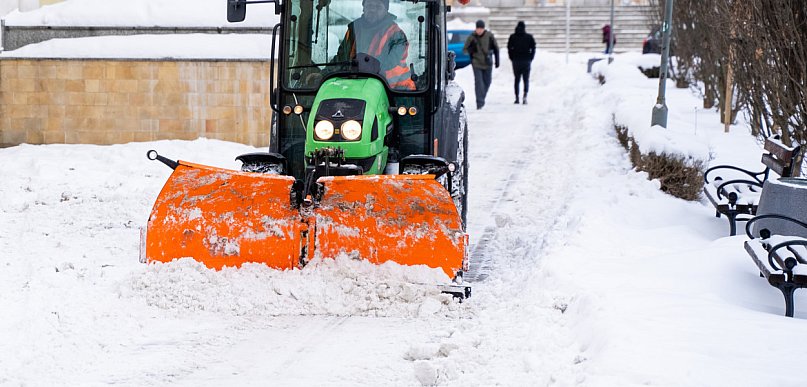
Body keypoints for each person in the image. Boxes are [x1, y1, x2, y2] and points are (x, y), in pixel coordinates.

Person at [334, 0, 415, 90]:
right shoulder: (354, 29)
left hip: (395, 88)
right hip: (360, 85)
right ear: (363, 7)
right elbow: (341, 58)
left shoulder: (396, 34)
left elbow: (387, 63)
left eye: (378, 7)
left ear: (386, 10)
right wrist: (324, 73)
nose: (372, 10)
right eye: (369, 6)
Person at [463, 19, 499, 109]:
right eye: (478, 28)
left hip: (488, 63)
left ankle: (481, 98)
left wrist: (497, 61)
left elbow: (496, 48)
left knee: (487, 82)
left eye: (481, 28)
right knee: (479, 83)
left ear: (483, 28)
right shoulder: (472, 37)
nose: (479, 30)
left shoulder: (489, 36)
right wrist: (471, 49)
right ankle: (479, 102)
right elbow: (465, 50)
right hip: (476, 63)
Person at [506, 21, 535, 105]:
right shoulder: (529, 37)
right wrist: (531, 57)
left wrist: (512, 57)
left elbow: (509, 48)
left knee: (517, 79)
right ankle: (525, 95)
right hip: (526, 60)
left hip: (516, 60)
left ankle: (517, 98)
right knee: (526, 79)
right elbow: (533, 48)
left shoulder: (512, 37)